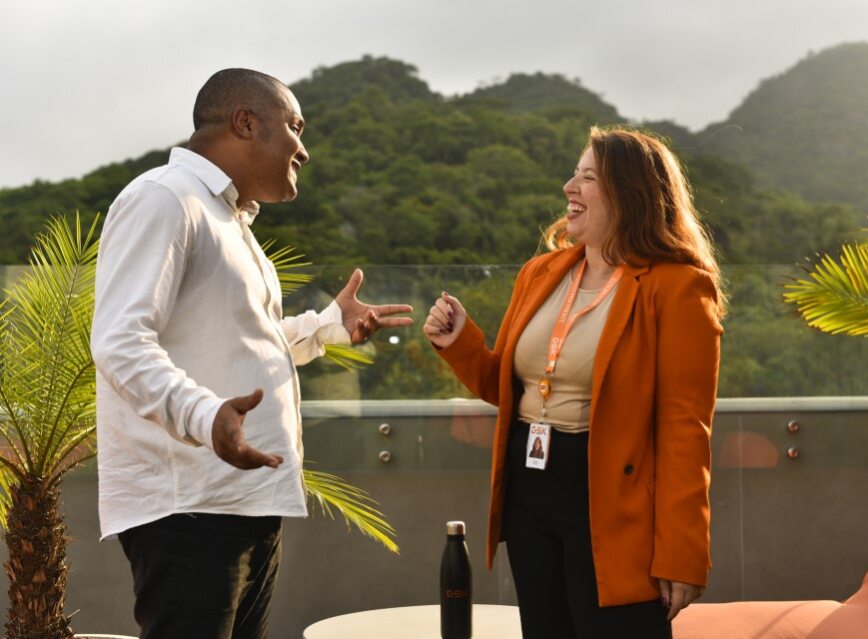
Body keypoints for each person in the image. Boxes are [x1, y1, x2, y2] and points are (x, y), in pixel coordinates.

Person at [90, 68, 413, 639]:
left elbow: (238, 341)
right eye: (295, 127)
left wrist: (328, 326)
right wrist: (205, 415)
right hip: (190, 507)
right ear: (245, 122)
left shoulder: (228, 219)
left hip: (241, 503)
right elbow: (119, 340)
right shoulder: (165, 200)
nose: (304, 150)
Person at [423, 127, 724, 639]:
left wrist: (681, 552)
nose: (570, 187)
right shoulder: (539, 273)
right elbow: (511, 388)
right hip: (530, 485)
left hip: (610, 495)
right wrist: (462, 343)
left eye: (588, 177)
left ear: (630, 194)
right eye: (574, 174)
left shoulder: (679, 287)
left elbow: (685, 427)